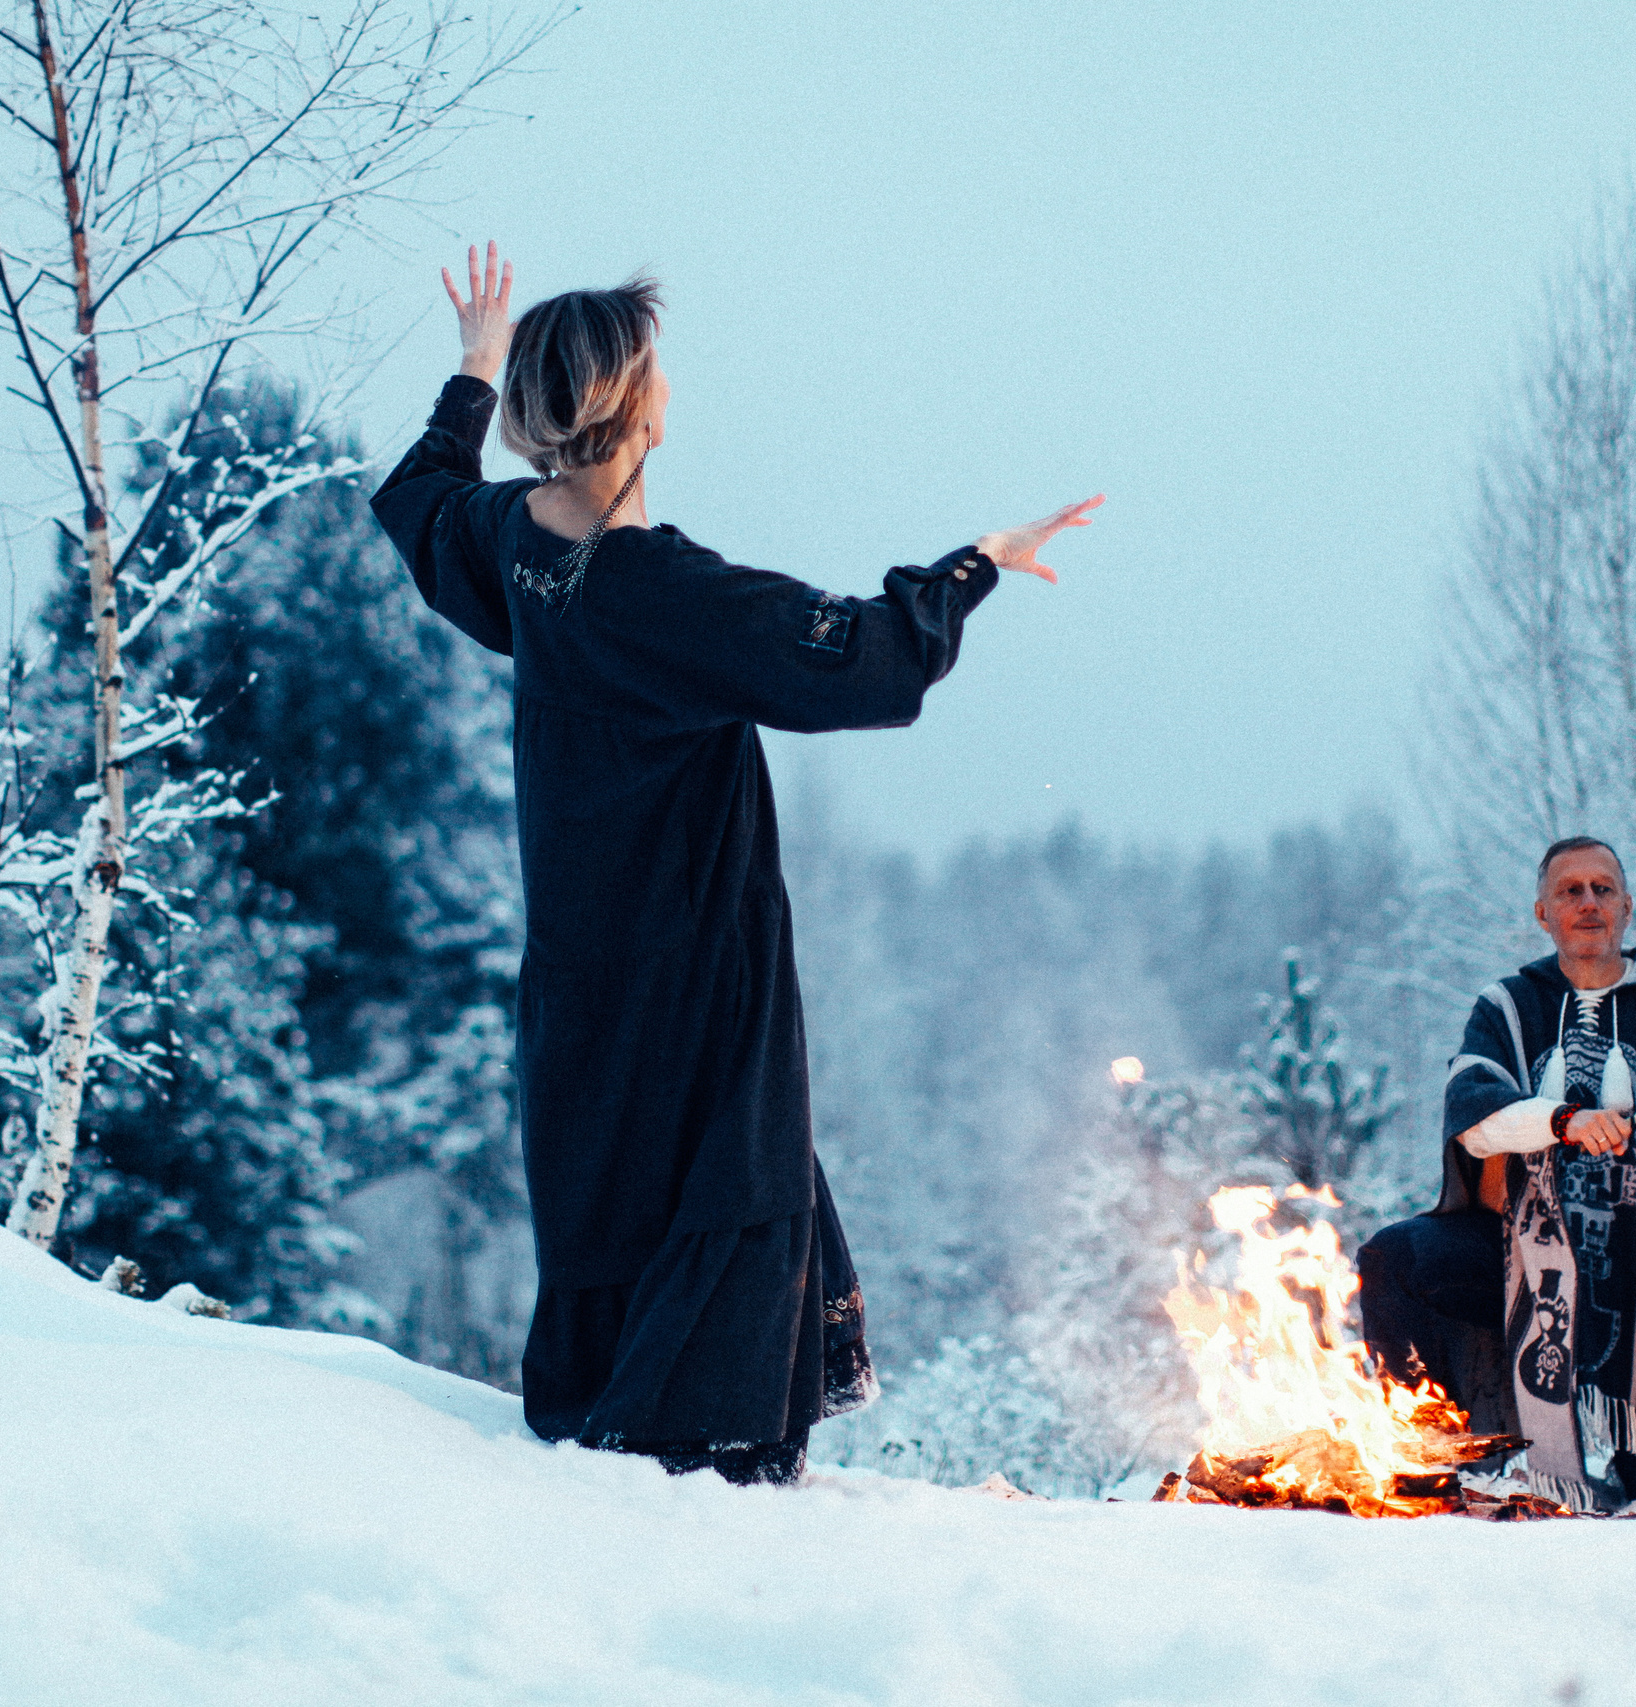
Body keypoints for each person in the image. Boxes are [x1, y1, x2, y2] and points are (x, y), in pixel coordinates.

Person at [370, 243, 1101, 1485]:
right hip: (693, 960)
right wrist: (977, 562)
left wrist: (472, 376)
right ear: (637, 408)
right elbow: (867, 661)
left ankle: (615, 1431)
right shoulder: (658, 589)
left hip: (575, 965)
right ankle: (699, 1455)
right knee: (729, 1177)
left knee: (611, 1196)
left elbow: (418, 501)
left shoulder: (517, 548)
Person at [1355, 837, 1636, 1510]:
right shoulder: (1508, 1006)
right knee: (1396, 1257)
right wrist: (1563, 1120)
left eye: (1603, 888)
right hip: (1523, 1264)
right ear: (1543, 913)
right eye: (1570, 890)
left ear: (1626, 906)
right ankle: (1440, 1458)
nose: (1588, 902)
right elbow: (1474, 1115)